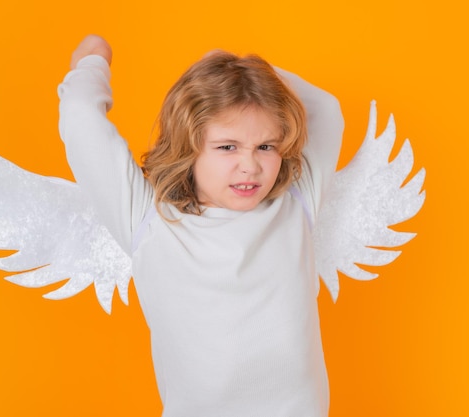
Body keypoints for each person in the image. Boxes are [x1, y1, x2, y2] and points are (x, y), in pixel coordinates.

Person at [58, 34, 344, 417]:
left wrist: (240, 71)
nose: (250, 166)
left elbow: (326, 108)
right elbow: (79, 117)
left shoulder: (296, 200)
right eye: (227, 146)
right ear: (188, 147)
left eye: (266, 146)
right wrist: (93, 60)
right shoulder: (148, 219)